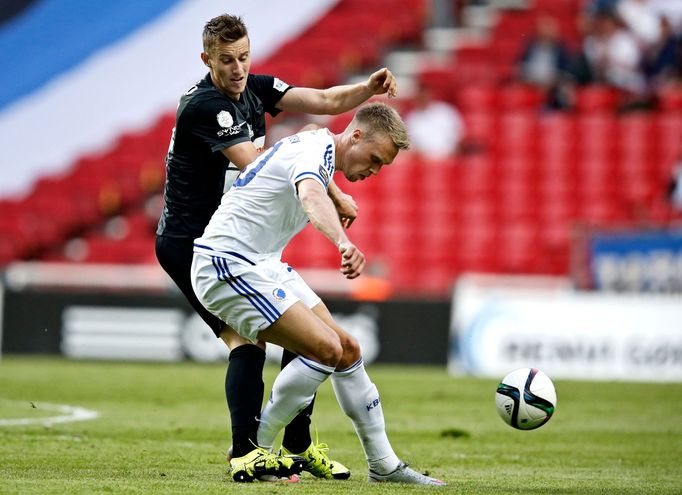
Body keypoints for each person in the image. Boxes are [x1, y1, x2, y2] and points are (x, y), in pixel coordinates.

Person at [155, 14, 399, 481]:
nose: (238, 68)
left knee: (298, 325)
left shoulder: (254, 89)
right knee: (245, 340)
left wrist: (366, 89)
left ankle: (297, 445)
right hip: (192, 242)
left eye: (244, 57)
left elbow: (326, 100)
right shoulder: (205, 106)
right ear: (207, 60)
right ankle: (246, 452)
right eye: (226, 60)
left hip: (242, 244)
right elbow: (261, 166)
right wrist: (333, 188)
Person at [191, 102, 446, 485]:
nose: (374, 170)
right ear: (355, 135)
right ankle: (250, 449)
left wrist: (336, 191)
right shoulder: (313, 151)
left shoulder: (316, 143)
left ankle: (384, 465)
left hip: (261, 262)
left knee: (347, 350)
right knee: (325, 349)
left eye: (382, 167)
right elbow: (310, 196)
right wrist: (343, 242)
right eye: (374, 159)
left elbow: (310, 134)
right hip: (227, 262)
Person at [404, 81, 465, 161]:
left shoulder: (446, 111)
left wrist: (452, 157)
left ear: (430, 95)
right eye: (420, 95)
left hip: (450, 160)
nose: (422, 98)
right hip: (423, 163)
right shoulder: (410, 120)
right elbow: (410, 147)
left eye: (424, 95)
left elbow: (460, 138)